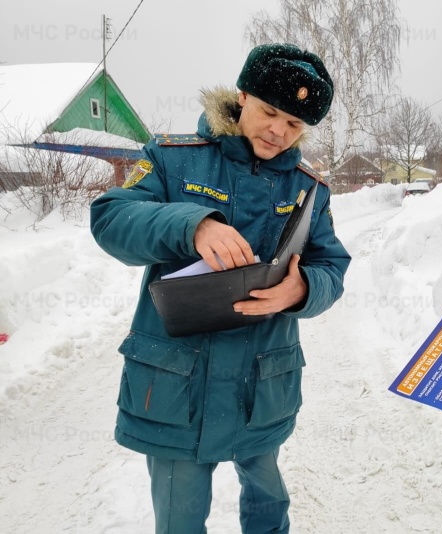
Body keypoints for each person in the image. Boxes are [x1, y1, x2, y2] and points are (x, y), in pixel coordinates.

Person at [90, 43, 351, 533]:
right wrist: (193, 226)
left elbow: (331, 266)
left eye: (295, 124)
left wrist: (301, 290)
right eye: (270, 112)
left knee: (269, 505)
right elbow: (110, 220)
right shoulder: (172, 159)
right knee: (179, 519)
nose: (279, 130)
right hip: (177, 386)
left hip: (262, 384)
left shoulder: (307, 186)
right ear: (242, 97)